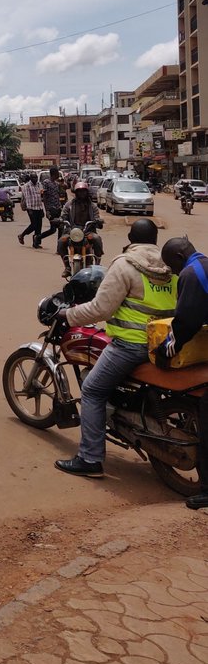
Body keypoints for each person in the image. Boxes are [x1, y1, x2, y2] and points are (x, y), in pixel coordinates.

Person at [55, 218, 176, 477]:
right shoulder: (169, 265)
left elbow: (101, 308)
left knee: (92, 390)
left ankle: (89, 459)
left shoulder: (124, 264)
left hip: (130, 346)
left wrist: (69, 315)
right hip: (164, 345)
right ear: (155, 239)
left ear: (130, 238)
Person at [154, 237, 208, 510]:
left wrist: (165, 352)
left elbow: (186, 322)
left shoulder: (190, 273)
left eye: (171, 266)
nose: (172, 273)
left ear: (178, 256)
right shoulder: (204, 264)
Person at [57, 181, 103, 278]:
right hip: (72, 231)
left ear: (87, 192)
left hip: (88, 231)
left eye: (83, 191)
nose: (82, 193)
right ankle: (67, 267)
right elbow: (63, 214)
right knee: (61, 241)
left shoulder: (92, 205)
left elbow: (96, 216)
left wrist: (98, 221)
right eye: (79, 191)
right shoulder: (69, 205)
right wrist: (61, 220)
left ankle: (97, 263)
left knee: (97, 239)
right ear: (76, 193)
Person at [38, 167, 65, 245]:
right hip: (51, 208)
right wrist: (47, 210)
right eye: (57, 173)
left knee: (61, 227)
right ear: (54, 174)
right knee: (53, 229)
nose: (58, 175)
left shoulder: (56, 184)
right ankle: (38, 237)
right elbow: (44, 197)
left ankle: (59, 247)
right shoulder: (46, 182)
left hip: (58, 208)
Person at [18, 172, 44, 248]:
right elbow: (27, 198)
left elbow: (40, 197)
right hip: (31, 208)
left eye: (36, 177)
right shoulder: (26, 186)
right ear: (30, 178)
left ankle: (36, 243)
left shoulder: (39, 185)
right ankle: (22, 235)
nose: (35, 179)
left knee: (39, 226)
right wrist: (29, 209)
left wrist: (42, 209)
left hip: (38, 207)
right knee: (34, 225)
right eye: (33, 178)